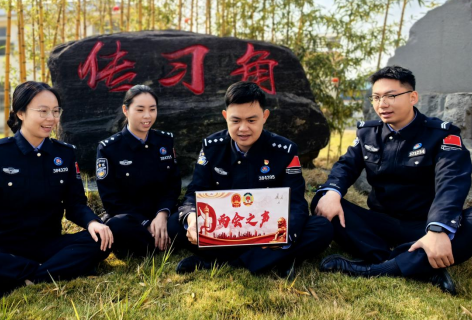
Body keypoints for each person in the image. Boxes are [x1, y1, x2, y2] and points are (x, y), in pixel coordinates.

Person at [311, 66, 472, 295]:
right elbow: (345, 166)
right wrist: (333, 193)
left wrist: (437, 230)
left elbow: (451, 184)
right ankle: (415, 263)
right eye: (376, 97)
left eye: (391, 96)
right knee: (323, 199)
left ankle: (378, 267)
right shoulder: (368, 133)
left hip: (424, 225)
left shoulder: (441, 135)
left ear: (412, 97)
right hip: (380, 223)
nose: (382, 104)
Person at [0, 81, 113, 307]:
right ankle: (48, 272)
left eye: (55, 111)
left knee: (100, 240)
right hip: (3, 246)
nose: (51, 118)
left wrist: (93, 223)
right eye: (43, 111)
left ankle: (13, 278)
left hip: (48, 244)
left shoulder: (64, 154)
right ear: (21, 113)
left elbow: (75, 204)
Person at [168, 81, 333, 276]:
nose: (243, 128)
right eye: (235, 120)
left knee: (321, 228)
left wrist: (282, 236)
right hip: (226, 227)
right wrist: (192, 217)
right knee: (175, 224)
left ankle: (220, 262)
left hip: (268, 229)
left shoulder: (285, 151)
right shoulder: (212, 147)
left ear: (265, 117)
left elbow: (296, 203)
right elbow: (195, 191)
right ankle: (274, 260)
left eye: (252, 120)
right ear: (225, 117)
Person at [96, 85, 181, 256]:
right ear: (125, 110)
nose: (147, 116)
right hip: (131, 219)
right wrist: (146, 224)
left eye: (152, 109)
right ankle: (162, 242)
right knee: (117, 226)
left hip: (161, 216)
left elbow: (173, 185)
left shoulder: (164, 141)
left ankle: (151, 244)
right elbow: (111, 200)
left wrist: (162, 215)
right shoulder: (109, 148)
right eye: (140, 110)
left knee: (182, 221)